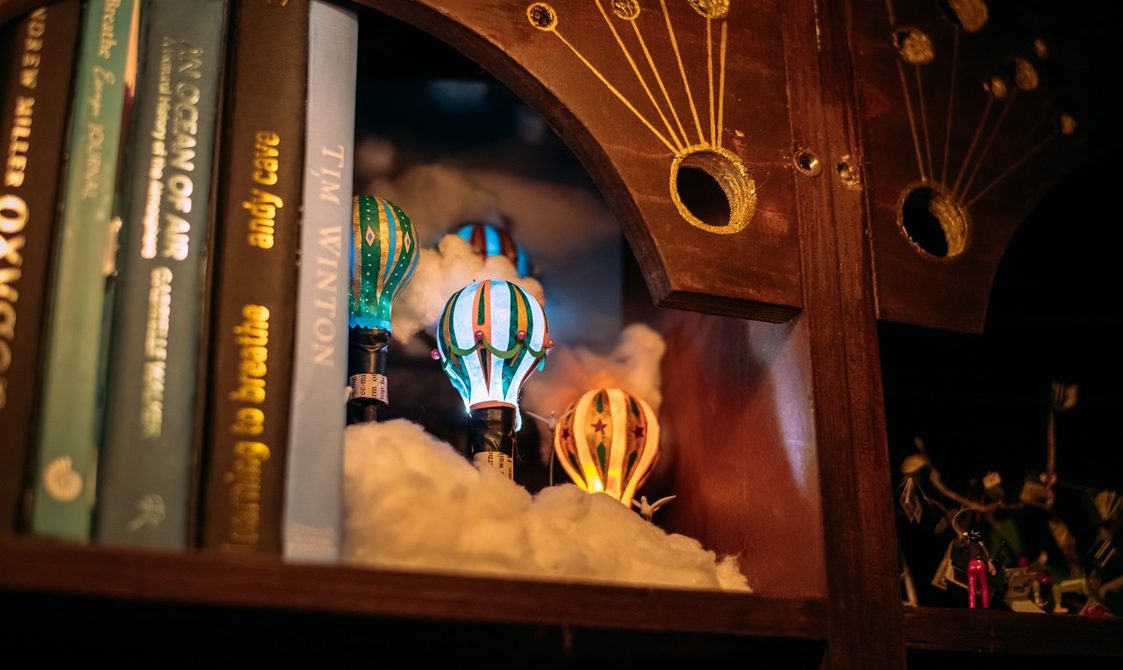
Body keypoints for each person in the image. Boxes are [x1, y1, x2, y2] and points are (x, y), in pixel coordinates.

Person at [960, 528, 997, 608]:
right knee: (984, 587)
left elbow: (960, 547)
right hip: (980, 564)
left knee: (971, 588)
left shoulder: (969, 543)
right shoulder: (980, 543)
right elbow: (986, 553)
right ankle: (986, 606)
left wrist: (963, 540)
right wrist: (989, 563)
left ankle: (972, 606)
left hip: (971, 565)